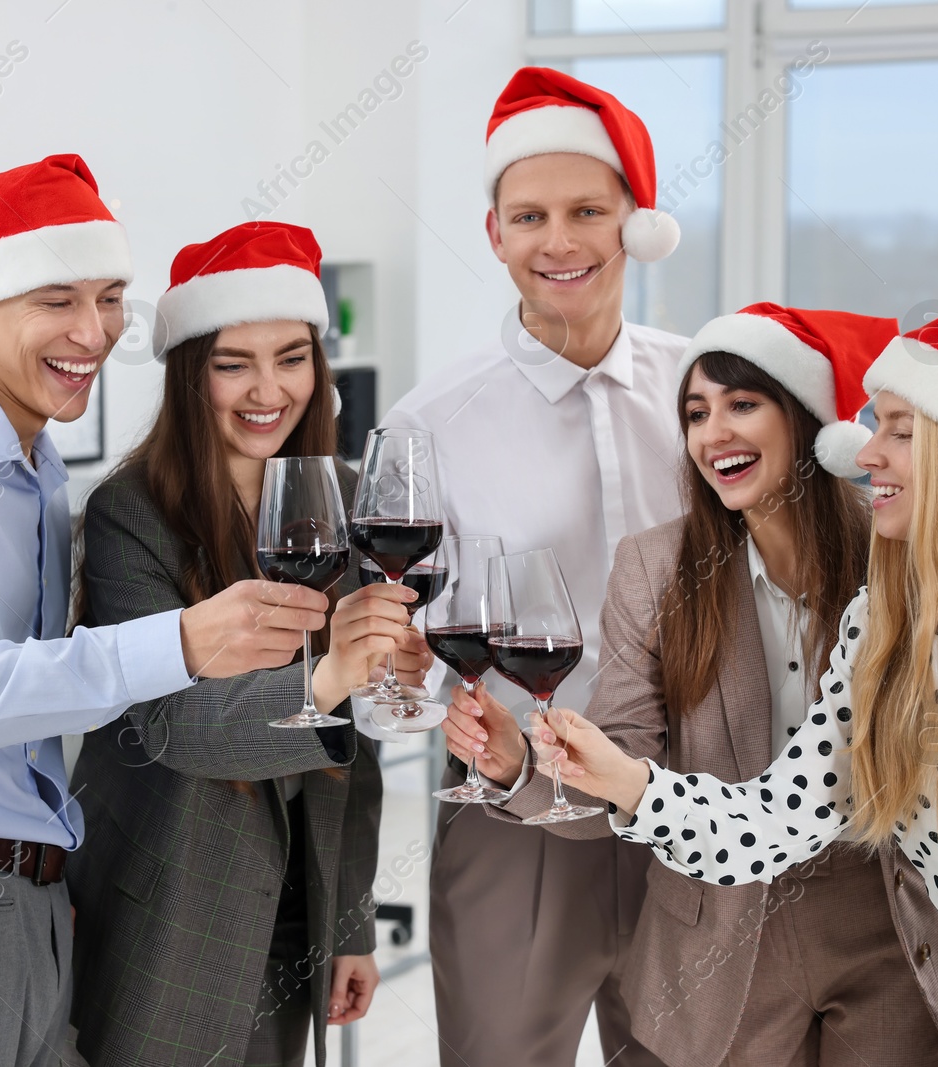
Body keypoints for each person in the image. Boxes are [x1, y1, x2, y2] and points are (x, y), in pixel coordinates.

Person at [0, 157, 334, 1067]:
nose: (93, 331)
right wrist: (184, 639)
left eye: (110, 297)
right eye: (58, 299)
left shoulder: (37, 472)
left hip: (36, 900)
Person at [536, 302, 938, 1067]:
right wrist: (630, 783)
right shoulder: (884, 619)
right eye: (873, 423)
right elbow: (776, 819)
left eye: (899, 431)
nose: (864, 452)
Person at [447, 304, 938, 1066]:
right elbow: (622, 774)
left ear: (807, 418)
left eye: (742, 404)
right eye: (695, 413)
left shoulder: (898, 554)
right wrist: (520, 764)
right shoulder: (655, 569)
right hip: (717, 936)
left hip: (883, 925)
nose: (714, 433)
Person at [381, 66, 684, 1067]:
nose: (559, 241)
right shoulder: (431, 422)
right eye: (530, 215)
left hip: (693, 810)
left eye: (587, 210)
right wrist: (453, 713)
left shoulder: (705, 390)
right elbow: (396, 646)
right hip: (517, 819)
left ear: (633, 223)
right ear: (495, 233)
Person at [67, 222, 424, 1067]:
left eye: (292, 357)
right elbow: (176, 728)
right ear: (192, 376)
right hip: (174, 909)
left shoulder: (336, 499)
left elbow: (351, 752)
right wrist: (335, 668)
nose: (269, 388)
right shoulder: (131, 517)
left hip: (295, 908)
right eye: (234, 363)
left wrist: (349, 922)